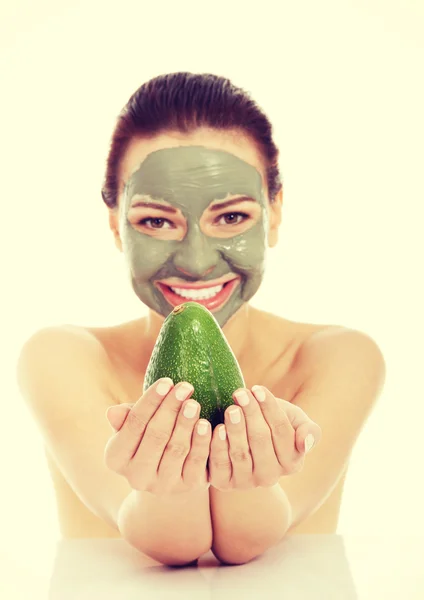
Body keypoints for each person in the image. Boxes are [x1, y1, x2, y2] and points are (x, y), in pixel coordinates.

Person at [16, 72, 386, 567]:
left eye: (232, 218)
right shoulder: (62, 358)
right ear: (115, 225)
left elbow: (250, 541)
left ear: (274, 213)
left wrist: (246, 483)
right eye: (155, 221)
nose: (194, 261)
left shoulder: (340, 357)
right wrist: (167, 491)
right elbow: (167, 543)